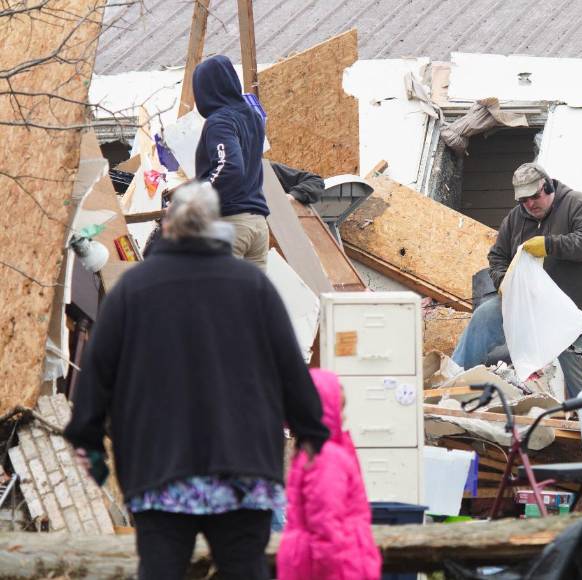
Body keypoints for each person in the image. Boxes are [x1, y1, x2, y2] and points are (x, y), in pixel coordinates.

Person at [64, 181, 330, 580]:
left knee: (161, 570)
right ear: (217, 228)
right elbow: (291, 371)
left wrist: (85, 437)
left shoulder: (133, 290)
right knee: (245, 569)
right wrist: (312, 431)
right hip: (244, 471)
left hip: (160, 471)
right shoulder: (253, 287)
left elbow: (98, 376)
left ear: (168, 226)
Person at [452, 162, 582, 398]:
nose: (529, 204)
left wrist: (550, 245)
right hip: (530, 308)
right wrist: (503, 281)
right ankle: (453, 382)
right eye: (523, 200)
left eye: (534, 197)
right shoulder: (516, 218)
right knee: (485, 316)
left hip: (577, 318)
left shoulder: (578, 205)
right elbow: (497, 256)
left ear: (547, 186)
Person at [277, 369, 381, 580]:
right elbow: (326, 524)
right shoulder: (327, 457)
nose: (344, 415)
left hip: (312, 561)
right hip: (336, 566)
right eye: (339, 408)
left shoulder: (307, 453)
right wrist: (330, 569)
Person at [193, 55, 271, 270]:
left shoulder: (219, 121)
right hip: (258, 224)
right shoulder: (252, 117)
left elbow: (229, 166)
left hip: (231, 224)